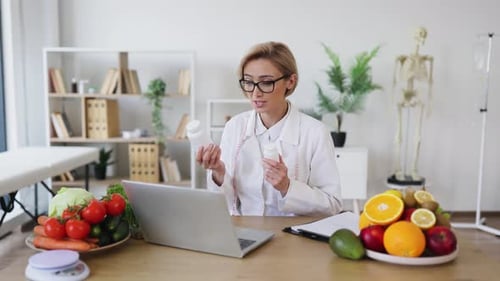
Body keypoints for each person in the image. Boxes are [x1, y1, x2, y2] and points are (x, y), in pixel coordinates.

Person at [196, 41, 342, 216]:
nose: (255, 93)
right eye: (248, 82)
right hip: (244, 232)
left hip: (293, 236)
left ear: (290, 81)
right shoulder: (235, 127)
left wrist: (287, 187)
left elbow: (332, 204)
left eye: (266, 82)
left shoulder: (315, 133)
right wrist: (218, 172)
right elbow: (227, 204)